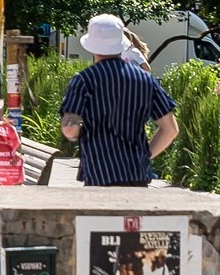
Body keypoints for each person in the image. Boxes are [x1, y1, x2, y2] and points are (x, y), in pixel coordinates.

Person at [60, 14, 180, 186]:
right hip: (137, 176)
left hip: (98, 174)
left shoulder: (84, 80)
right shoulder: (146, 80)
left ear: (92, 46)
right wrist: (144, 157)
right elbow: (170, 130)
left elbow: (70, 129)